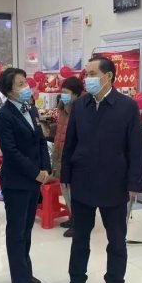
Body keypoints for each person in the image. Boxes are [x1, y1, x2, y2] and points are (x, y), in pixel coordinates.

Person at [61, 56, 142, 283]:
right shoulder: (80, 105)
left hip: (114, 184)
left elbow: (136, 149)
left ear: (108, 76)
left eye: (92, 74)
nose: (87, 79)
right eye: (86, 74)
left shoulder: (127, 107)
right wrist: (66, 175)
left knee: (116, 240)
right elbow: (70, 143)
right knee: (80, 237)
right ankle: (77, 278)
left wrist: (134, 184)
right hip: (83, 181)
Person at [0, 68, 51, 283]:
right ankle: (19, 280)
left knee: (27, 229)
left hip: (34, 179)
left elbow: (41, 141)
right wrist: (35, 172)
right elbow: (11, 151)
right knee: (16, 231)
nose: (26, 87)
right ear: (9, 91)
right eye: (20, 84)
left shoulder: (31, 108)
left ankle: (26, 271)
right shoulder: (4, 116)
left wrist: (46, 168)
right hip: (17, 181)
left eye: (25, 82)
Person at [52, 77, 85, 238]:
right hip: (60, 154)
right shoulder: (62, 107)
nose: (63, 95)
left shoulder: (82, 110)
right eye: (62, 92)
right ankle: (73, 218)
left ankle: (79, 223)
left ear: (76, 94)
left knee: (74, 192)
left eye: (66, 92)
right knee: (64, 188)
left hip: (73, 157)